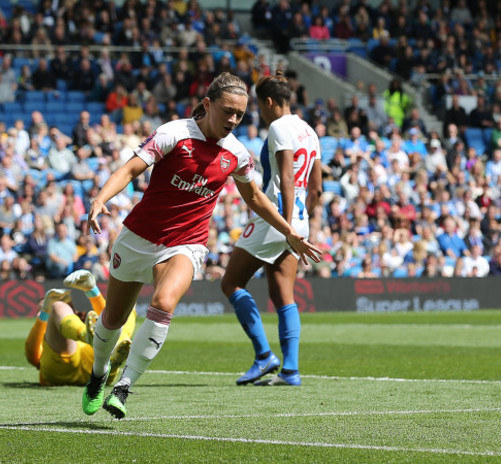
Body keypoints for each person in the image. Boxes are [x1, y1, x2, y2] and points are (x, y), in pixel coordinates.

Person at [82, 72, 322, 419]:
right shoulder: (173, 133)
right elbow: (131, 168)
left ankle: (123, 387)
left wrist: (289, 231)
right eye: (227, 111)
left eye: (239, 115)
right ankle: (98, 375)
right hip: (139, 236)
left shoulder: (236, 153)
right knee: (114, 317)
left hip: (186, 242)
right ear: (207, 104)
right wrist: (100, 197)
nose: (233, 120)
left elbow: (254, 196)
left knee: (164, 304)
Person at [220, 72, 322, 387]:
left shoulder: (279, 127)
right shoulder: (310, 131)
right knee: (282, 293)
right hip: (299, 218)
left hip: (277, 218)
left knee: (232, 283)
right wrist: (302, 221)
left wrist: (287, 225)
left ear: (268, 102)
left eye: (259, 107)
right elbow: (316, 187)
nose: (259, 114)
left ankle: (264, 355)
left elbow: (287, 177)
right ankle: (290, 371)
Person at [25, 270, 136, 387]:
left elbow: (111, 319)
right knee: (58, 305)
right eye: (42, 310)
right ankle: (106, 351)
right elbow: (33, 356)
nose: (46, 313)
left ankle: (109, 355)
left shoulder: (84, 321)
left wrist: (92, 291)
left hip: (94, 361)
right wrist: (44, 316)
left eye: (45, 310)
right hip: (61, 367)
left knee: (126, 305)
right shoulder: (41, 332)